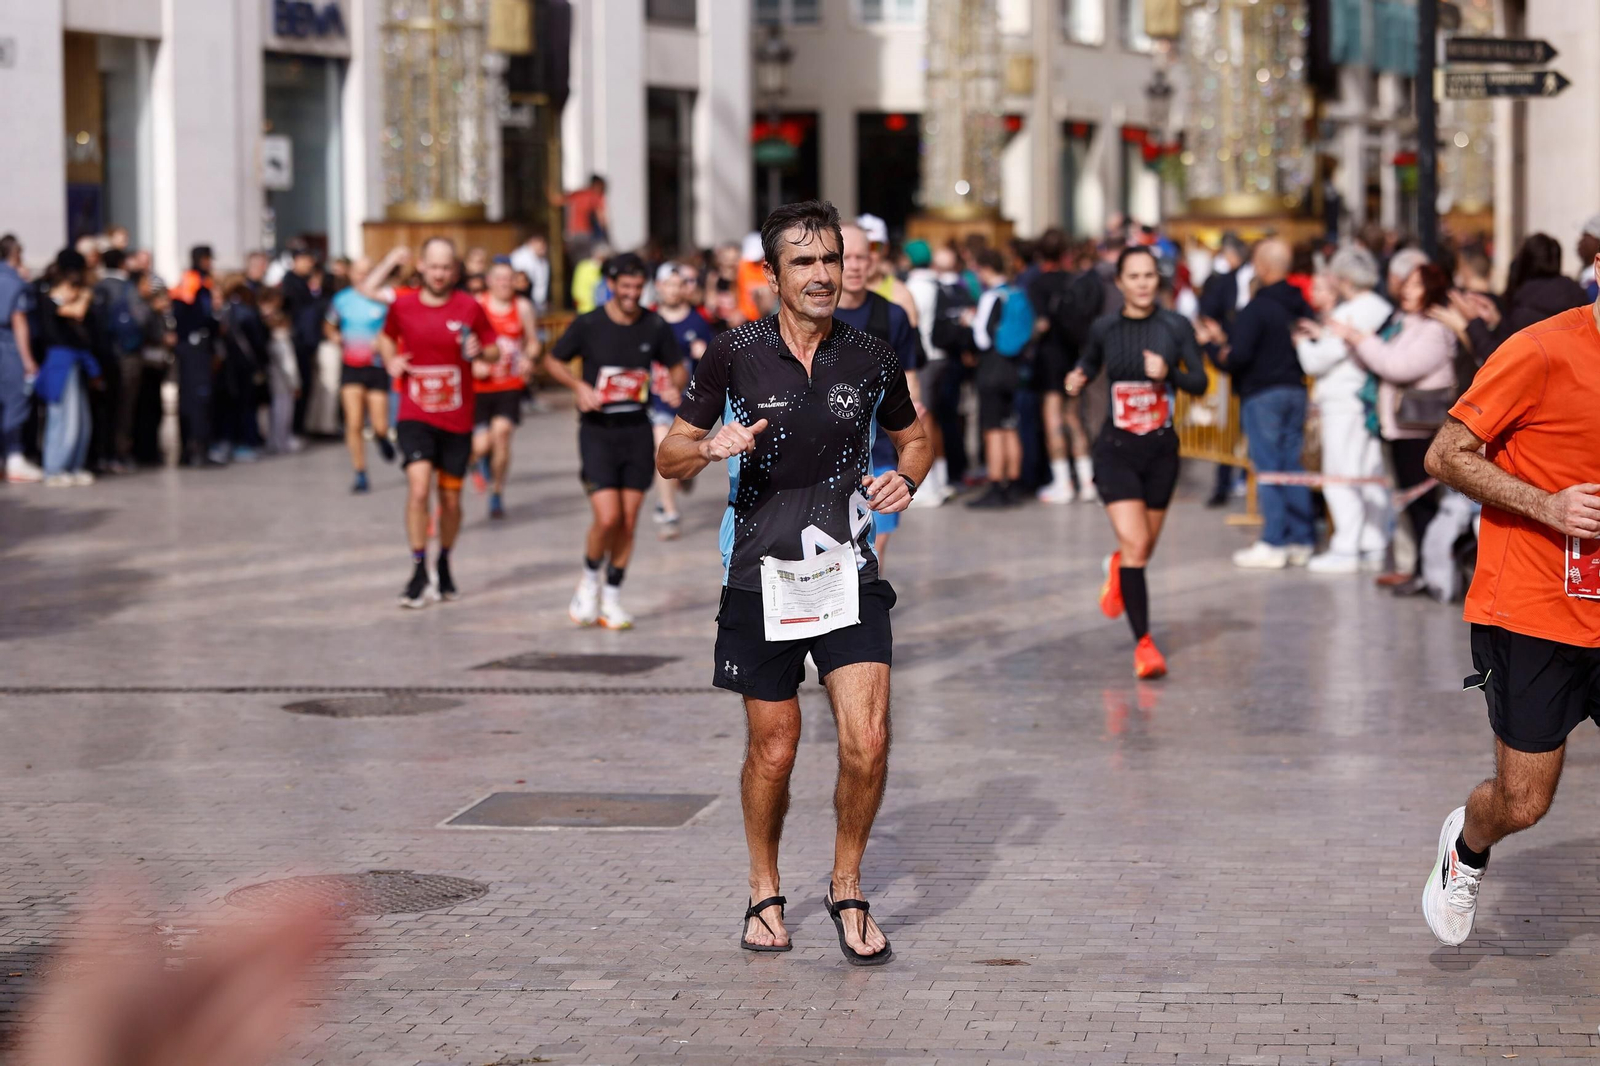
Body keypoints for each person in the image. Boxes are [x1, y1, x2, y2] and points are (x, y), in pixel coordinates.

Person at [656, 199, 930, 965]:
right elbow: (668, 456)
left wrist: (907, 476)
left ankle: (847, 886)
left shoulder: (872, 356)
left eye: (830, 260)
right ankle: (765, 888)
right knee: (774, 751)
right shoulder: (733, 353)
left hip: (848, 570)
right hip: (758, 574)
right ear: (772, 273)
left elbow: (916, 434)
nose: (821, 275)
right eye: (803, 262)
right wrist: (712, 445)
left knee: (868, 741)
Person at [1419, 272, 1600, 947]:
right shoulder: (1540, 351)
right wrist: (1548, 505)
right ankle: (1466, 848)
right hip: (1532, 609)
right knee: (1525, 801)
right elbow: (1446, 454)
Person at [1066, 246, 1208, 680]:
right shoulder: (1105, 327)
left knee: (1140, 551)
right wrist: (1079, 376)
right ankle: (1145, 645)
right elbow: (1088, 363)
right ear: (1121, 282)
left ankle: (1118, 567)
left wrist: (1169, 374)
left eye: (1150, 275)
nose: (1143, 283)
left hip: (1162, 451)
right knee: (1136, 547)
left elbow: (1199, 382)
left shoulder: (1175, 325)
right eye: (1135, 276)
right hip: (1117, 451)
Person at [545, 253, 686, 629]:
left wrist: (675, 385)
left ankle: (612, 596)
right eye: (625, 287)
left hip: (636, 430)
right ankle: (589, 580)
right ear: (611, 285)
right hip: (597, 431)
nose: (631, 295)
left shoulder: (653, 325)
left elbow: (676, 364)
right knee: (607, 517)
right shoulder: (589, 324)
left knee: (628, 519)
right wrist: (578, 387)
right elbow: (553, 360)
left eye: (638, 288)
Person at [376, 237, 498, 609]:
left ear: (455, 270)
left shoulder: (469, 306)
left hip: (457, 416)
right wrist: (391, 361)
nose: (440, 273)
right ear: (422, 267)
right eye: (434, 266)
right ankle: (417, 569)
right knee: (417, 488)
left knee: (450, 498)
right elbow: (385, 337)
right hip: (415, 412)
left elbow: (493, 347)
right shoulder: (403, 305)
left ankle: (443, 561)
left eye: (447, 267)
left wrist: (481, 350)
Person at [1328, 253, 1457, 594]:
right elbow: (1379, 360)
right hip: (1397, 428)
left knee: (1423, 506)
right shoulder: (1402, 321)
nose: (1406, 289)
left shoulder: (1435, 330)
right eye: (1407, 283)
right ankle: (1416, 568)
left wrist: (1359, 339)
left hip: (1419, 431)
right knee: (1409, 506)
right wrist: (1356, 341)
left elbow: (1396, 366)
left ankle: (1431, 573)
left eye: (1416, 285)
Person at [1292, 245, 1394, 574]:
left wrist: (1304, 344)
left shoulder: (1350, 311)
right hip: (1366, 401)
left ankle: (1346, 546)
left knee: (1339, 475)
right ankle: (1372, 540)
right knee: (1367, 470)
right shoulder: (1380, 307)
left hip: (1342, 403)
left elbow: (1318, 360)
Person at [1223, 239, 1317, 569]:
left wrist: (1217, 352)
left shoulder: (1258, 308)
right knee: (1292, 465)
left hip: (1263, 394)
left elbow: (1239, 356)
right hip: (1295, 389)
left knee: (1268, 466)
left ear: (1263, 268)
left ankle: (1275, 540)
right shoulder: (1300, 304)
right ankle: (1301, 538)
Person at [833, 222, 920, 570]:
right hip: (829, 450)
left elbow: (910, 373)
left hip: (882, 446)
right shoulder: (816, 315)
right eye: (845, 257)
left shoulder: (893, 314)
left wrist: (915, 431)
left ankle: (866, 605)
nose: (853, 265)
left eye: (860, 256)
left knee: (872, 543)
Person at [1030, 229, 1101, 504]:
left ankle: (1063, 483)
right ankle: (1087, 481)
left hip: (1049, 356)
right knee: (1073, 417)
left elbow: (1040, 323)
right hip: (1072, 355)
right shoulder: (1075, 281)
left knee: (1053, 419)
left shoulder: (1038, 283)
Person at [328, 251, 405, 492]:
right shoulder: (341, 299)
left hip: (376, 366)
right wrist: (336, 337)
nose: (362, 276)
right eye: (358, 272)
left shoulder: (381, 298)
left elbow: (395, 330)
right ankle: (360, 472)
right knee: (354, 422)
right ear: (350, 274)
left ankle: (382, 439)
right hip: (351, 365)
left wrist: (382, 344)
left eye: (366, 272)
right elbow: (329, 324)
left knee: (380, 425)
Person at [472, 261, 539, 519]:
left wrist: (528, 358)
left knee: (502, 433)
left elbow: (532, 342)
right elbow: (463, 340)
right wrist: (475, 362)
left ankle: (497, 491)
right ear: (489, 281)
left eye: (509, 278)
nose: (504, 283)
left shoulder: (521, 307)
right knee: (480, 445)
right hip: (480, 385)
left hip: (509, 384)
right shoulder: (478, 304)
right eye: (499, 278)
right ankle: (477, 463)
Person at [649, 262, 710, 539]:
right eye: (668, 284)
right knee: (661, 448)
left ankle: (683, 478)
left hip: (689, 401)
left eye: (678, 284)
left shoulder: (697, 321)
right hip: (656, 399)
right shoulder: (649, 319)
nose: (673, 290)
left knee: (683, 461)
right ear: (659, 287)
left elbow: (715, 361)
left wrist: (704, 352)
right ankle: (669, 511)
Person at [962, 249, 1027, 508]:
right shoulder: (1014, 292)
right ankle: (1013, 483)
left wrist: (971, 321)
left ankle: (995, 484)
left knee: (992, 430)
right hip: (1012, 368)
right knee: (1010, 426)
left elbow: (983, 338)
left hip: (992, 368)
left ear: (985, 268)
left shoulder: (991, 296)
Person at [34, 250, 102, 486]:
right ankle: (54, 468)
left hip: (76, 360)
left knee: (81, 419)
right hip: (60, 362)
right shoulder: (49, 296)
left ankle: (73, 465)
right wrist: (81, 297)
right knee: (63, 417)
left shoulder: (71, 294)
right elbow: (72, 312)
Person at [171, 245, 219, 467]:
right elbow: (189, 313)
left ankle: (190, 449)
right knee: (198, 398)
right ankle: (197, 449)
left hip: (193, 346)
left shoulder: (197, 280)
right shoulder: (194, 281)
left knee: (191, 398)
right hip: (194, 347)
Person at [0, 235, 42, 483]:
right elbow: (19, 321)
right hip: (8, 348)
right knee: (15, 402)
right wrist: (28, 361)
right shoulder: (14, 282)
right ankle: (14, 458)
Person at [279, 243, 324, 436]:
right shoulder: (290, 283)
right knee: (298, 385)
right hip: (298, 341)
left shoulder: (306, 282)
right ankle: (295, 428)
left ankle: (300, 426)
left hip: (307, 341)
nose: (309, 263)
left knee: (307, 385)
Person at [259, 289, 301, 456]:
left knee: (275, 409)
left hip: (274, 378)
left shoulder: (272, 340)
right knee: (283, 409)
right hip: (283, 381)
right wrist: (295, 383)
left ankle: (275, 440)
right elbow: (289, 364)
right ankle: (281, 441)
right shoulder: (282, 341)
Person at [510, 233, 552, 313]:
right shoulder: (521, 257)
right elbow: (520, 282)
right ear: (532, 243)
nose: (543, 248)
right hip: (525, 300)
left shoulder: (543, 260)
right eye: (540, 245)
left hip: (539, 303)